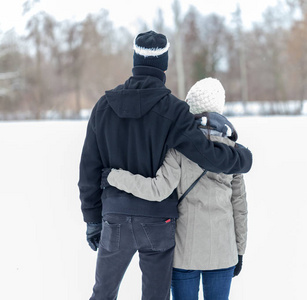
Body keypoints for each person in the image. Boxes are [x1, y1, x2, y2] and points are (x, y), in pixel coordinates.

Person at [78, 31, 252, 300]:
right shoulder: (175, 111)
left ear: (135, 59)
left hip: (115, 217)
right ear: (165, 63)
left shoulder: (103, 107)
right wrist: (242, 158)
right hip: (158, 222)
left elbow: (89, 168)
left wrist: (92, 219)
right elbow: (205, 154)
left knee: (103, 294)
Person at [101, 78, 248, 300]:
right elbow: (239, 207)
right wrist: (239, 250)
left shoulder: (178, 148)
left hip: (184, 253)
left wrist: (115, 176)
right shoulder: (234, 152)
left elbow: (158, 189)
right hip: (223, 251)